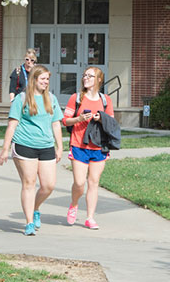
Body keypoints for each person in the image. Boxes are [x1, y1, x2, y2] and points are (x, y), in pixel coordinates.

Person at [0, 65, 63, 236]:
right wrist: (4, 149)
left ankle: (35, 208)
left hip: (46, 145)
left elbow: (56, 124)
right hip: (24, 144)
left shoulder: (52, 99)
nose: (46, 82)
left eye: (47, 79)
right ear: (34, 80)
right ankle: (29, 222)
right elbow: (12, 125)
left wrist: (60, 147)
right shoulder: (21, 98)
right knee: (29, 184)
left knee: (48, 185)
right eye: (43, 79)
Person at [62, 66, 115, 230]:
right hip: (79, 144)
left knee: (93, 182)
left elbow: (111, 122)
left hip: (99, 146)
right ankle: (74, 204)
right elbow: (65, 120)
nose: (85, 78)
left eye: (90, 76)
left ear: (99, 79)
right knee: (79, 183)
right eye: (84, 75)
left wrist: (101, 119)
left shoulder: (105, 100)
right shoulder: (76, 98)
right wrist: (79, 118)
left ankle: (90, 217)